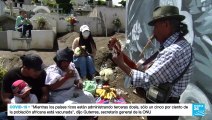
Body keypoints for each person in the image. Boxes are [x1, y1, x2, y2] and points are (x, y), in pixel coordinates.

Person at [112, 5, 193, 120]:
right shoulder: (178, 44)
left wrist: (121, 64)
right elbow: (143, 68)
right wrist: (123, 57)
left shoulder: (173, 51)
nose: (153, 31)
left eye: (155, 27)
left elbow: (147, 80)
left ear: (166, 25)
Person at [1, 53, 49, 120]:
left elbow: (45, 94)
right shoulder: (11, 75)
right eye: (35, 70)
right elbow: (5, 99)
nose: (39, 72)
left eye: (40, 69)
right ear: (25, 68)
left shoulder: (42, 74)